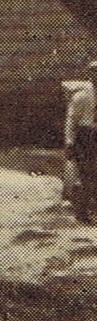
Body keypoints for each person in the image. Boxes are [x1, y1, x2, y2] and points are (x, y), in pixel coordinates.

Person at [66, 59, 97, 223]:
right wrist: (69, 143)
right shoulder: (82, 96)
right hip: (86, 137)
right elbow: (71, 121)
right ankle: (82, 212)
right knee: (86, 175)